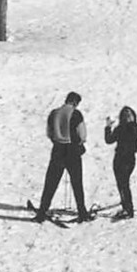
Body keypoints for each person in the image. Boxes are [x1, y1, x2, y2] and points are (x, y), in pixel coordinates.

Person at [35, 92, 91, 223]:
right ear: (76, 102)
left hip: (58, 150)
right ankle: (82, 212)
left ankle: (42, 212)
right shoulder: (76, 114)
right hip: (72, 151)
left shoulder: (54, 113)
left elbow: (49, 132)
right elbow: (82, 134)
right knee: (77, 182)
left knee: (51, 182)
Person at [104, 106, 137, 220]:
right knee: (124, 184)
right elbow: (135, 132)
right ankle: (126, 206)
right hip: (130, 159)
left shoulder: (120, 129)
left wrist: (108, 127)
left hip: (120, 158)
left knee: (122, 184)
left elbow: (109, 140)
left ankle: (127, 208)